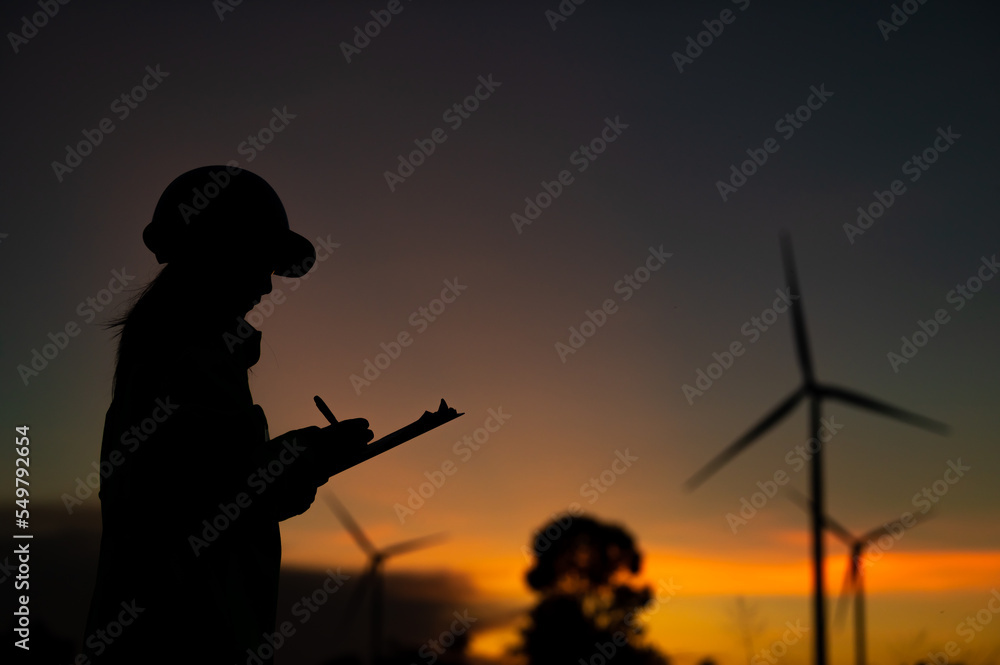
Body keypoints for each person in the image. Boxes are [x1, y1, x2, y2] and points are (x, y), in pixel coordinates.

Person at [84, 166, 372, 664]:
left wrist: (299, 456)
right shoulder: (184, 356)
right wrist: (306, 456)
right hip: (179, 644)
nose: (267, 285)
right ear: (215, 251)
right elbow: (210, 498)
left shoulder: (171, 352)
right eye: (259, 261)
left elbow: (215, 484)